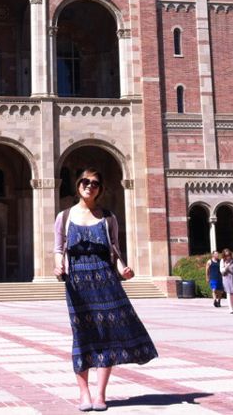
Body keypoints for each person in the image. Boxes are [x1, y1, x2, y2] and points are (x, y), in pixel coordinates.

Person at [53, 168, 158, 411]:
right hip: (77, 283)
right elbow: (58, 248)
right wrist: (59, 265)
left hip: (106, 280)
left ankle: (100, 395)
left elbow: (115, 251)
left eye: (95, 183)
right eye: (85, 182)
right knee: (83, 336)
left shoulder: (108, 217)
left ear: (100, 189)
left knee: (106, 336)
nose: (90, 186)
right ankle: (84, 393)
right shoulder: (65, 216)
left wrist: (124, 270)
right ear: (77, 185)